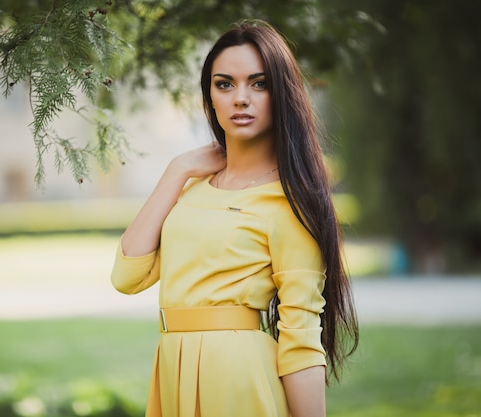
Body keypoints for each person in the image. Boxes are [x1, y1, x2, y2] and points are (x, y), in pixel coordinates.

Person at [111, 19, 358, 417]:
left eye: (258, 84)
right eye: (224, 84)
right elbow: (126, 277)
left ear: (282, 95)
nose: (240, 98)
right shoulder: (192, 191)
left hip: (239, 379)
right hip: (173, 368)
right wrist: (176, 170)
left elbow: (300, 336)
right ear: (210, 97)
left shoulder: (289, 203)